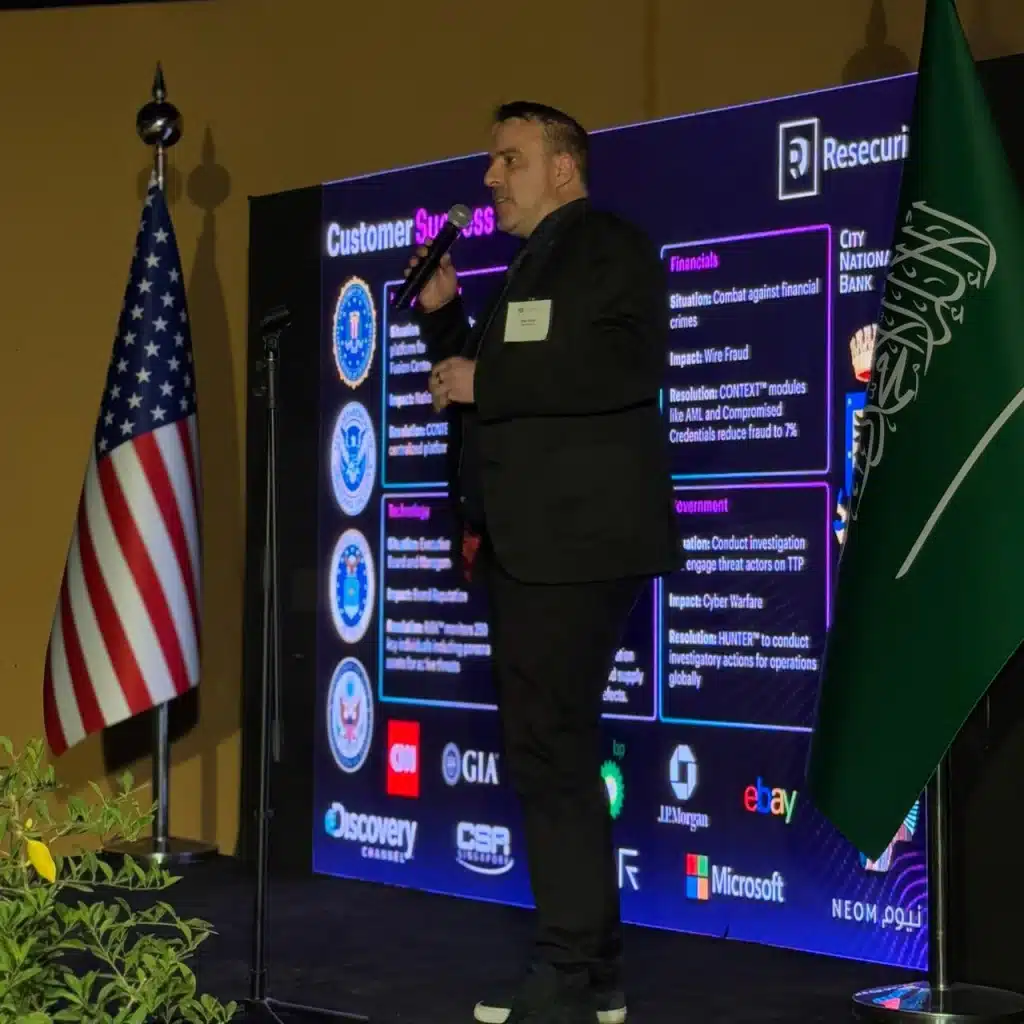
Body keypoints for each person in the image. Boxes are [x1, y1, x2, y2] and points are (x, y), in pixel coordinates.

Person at [405, 101, 678, 1024]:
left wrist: (486, 377)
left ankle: (568, 971)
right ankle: (590, 972)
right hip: (531, 547)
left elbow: (622, 370)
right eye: (491, 162)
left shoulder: (607, 247)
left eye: (509, 160)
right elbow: (497, 391)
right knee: (547, 749)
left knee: (550, 750)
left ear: (564, 168)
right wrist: (446, 321)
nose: (490, 178)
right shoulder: (530, 265)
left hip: (578, 544)